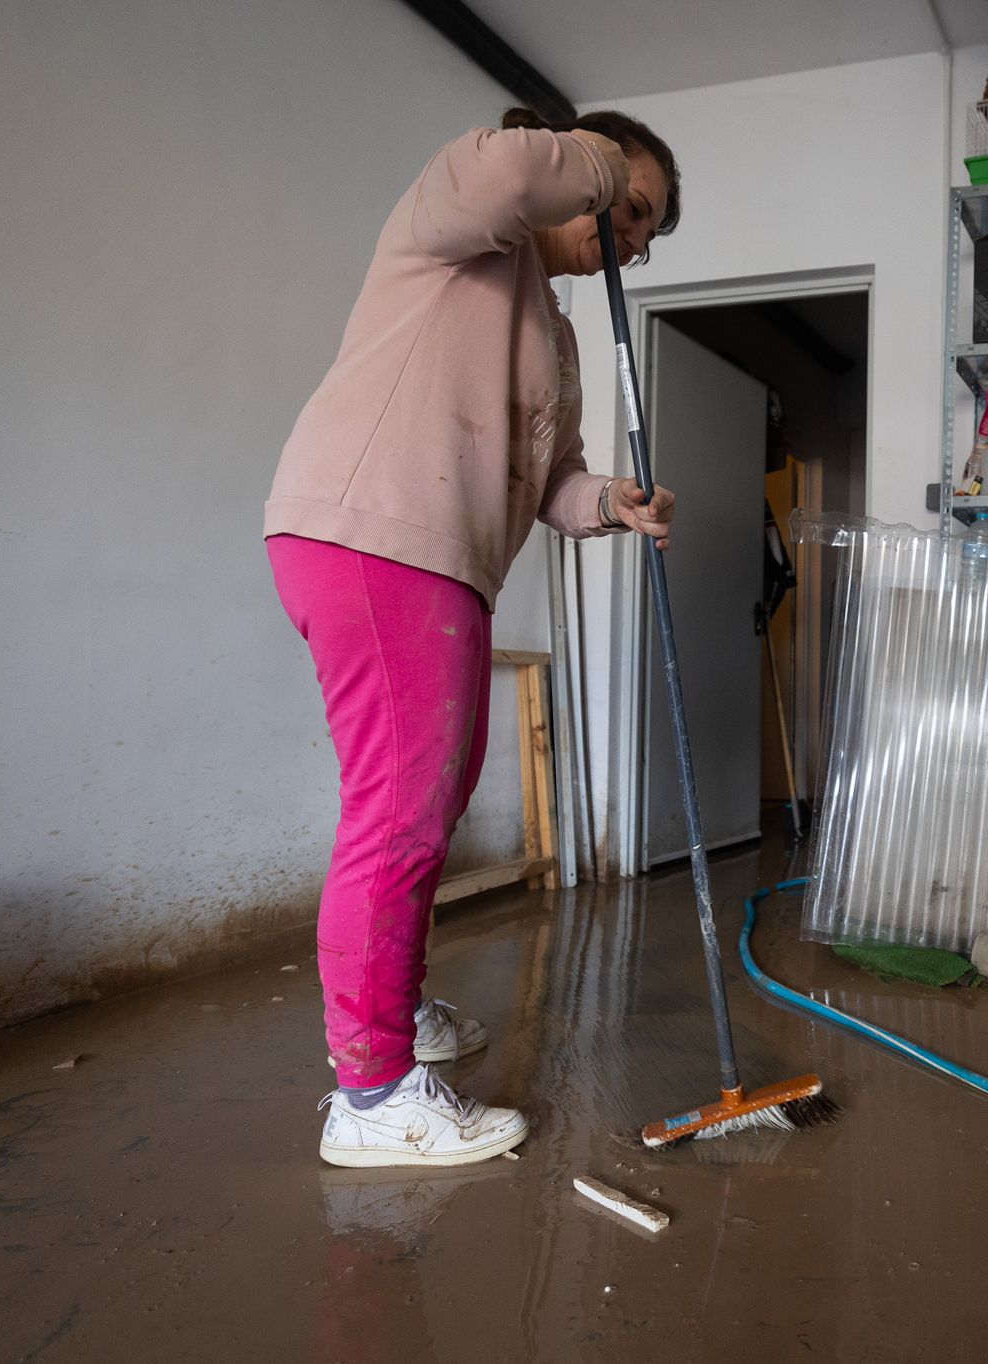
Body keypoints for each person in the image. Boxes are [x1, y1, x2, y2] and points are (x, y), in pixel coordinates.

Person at [263, 108, 681, 1167]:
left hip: (438, 557)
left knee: (427, 800)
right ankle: (371, 1094)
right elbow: (502, 174)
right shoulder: (462, 222)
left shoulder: (555, 327)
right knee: (400, 808)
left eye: (649, 234)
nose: (632, 241)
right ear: (581, 162)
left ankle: (391, 1015)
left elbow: (548, 482)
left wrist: (608, 501)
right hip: (378, 535)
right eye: (631, 211)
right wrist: (589, 160)